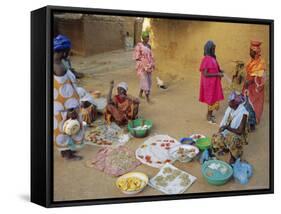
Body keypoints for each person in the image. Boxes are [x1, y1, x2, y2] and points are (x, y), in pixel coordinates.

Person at [53, 35, 84, 160]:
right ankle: (67, 155)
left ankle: (66, 152)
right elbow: (65, 93)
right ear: (64, 51)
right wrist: (71, 109)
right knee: (65, 129)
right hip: (65, 107)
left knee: (64, 128)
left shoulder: (59, 63)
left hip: (61, 107)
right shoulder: (58, 67)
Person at [211, 92, 249, 164]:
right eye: (229, 101)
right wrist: (222, 129)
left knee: (232, 138)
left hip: (237, 135)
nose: (229, 103)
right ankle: (226, 148)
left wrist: (226, 127)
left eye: (231, 101)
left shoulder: (243, 114)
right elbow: (224, 122)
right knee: (216, 137)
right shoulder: (230, 109)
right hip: (229, 131)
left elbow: (240, 131)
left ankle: (234, 156)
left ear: (236, 102)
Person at [242, 40, 266, 130]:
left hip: (256, 88)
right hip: (249, 86)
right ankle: (248, 120)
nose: (249, 52)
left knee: (253, 104)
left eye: (251, 51)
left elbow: (256, 77)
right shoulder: (252, 61)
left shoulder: (260, 63)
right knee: (247, 103)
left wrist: (248, 82)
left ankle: (252, 123)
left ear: (255, 52)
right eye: (249, 50)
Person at [199, 40, 224, 124]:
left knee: (213, 98)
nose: (214, 50)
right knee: (211, 100)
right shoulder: (206, 59)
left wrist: (220, 70)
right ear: (209, 49)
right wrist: (217, 74)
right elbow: (205, 74)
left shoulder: (213, 58)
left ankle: (210, 114)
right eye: (213, 48)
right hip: (209, 84)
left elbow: (215, 68)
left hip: (214, 83)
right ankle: (209, 116)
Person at [133, 31, 155, 103]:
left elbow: (151, 56)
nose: (148, 38)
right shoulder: (139, 46)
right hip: (142, 67)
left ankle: (140, 93)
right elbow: (137, 58)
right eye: (146, 37)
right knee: (145, 81)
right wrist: (142, 64)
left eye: (148, 36)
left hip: (149, 66)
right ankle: (147, 98)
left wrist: (152, 64)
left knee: (147, 80)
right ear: (143, 38)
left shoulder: (149, 46)